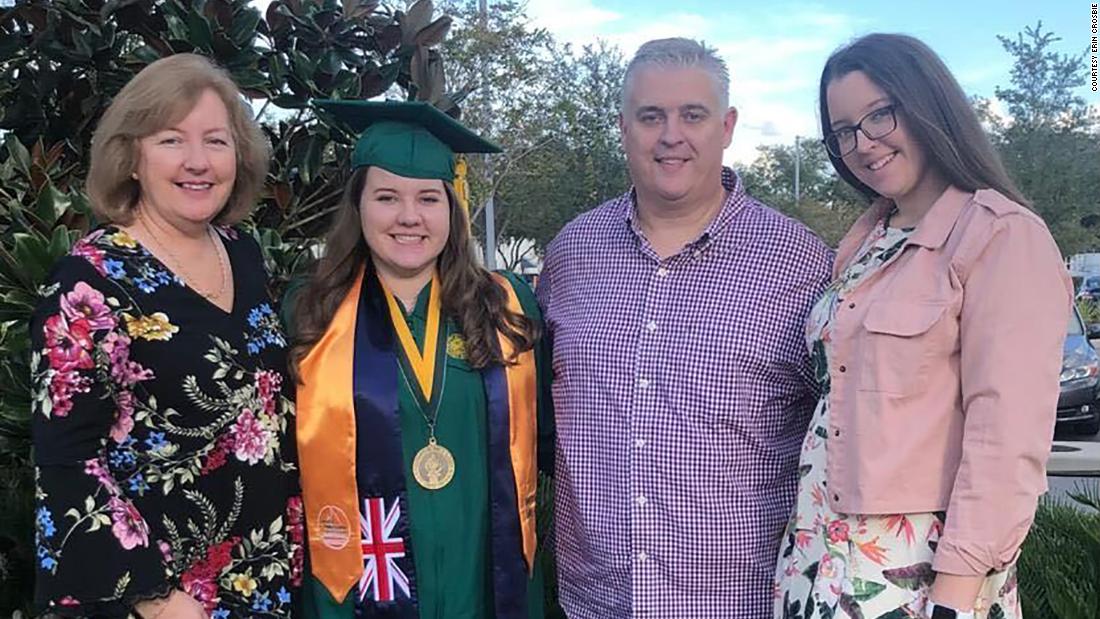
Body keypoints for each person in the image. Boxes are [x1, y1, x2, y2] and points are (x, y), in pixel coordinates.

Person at [773, 34, 1071, 619]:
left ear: (927, 103)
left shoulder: (1000, 236)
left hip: (915, 579)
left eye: (879, 114)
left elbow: (1006, 441)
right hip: (814, 559)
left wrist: (956, 596)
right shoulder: (864, 245)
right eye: (843, 132)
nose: (863, 144)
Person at [537, 38, 833, 617]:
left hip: (740, 600)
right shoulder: (572, 255)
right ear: (624, 127)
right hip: (596, 599)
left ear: (726, 126)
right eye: (651, 116)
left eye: (691, 115)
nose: (671, 134)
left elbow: (838, 431)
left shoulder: (801, 263)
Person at [29, 54, 302, 618]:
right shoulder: (89, 283)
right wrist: (153, 599)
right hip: (159, 595)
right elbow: (66, 461)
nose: (198, 162)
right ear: (131, 157)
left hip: (263, 576)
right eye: (172, 140)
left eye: (216, 141)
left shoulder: (243, 255)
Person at [289, 100, 554, 619]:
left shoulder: (505, 307)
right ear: (358, 205)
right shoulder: (308, 312)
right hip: (356, 584)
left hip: (485, 578)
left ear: (451, 209)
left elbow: (545, 438)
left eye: (429, 198)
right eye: (387, 197)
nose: (409, 217)